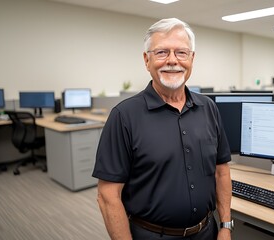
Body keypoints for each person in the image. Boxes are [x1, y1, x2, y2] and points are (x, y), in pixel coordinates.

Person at [92, 18, 233, 240]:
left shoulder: (209, 109)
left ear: (192, 59)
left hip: (207, 231)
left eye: (181, 53)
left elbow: (221, 171)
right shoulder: (124, 116)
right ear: (146, 60)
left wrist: (225, 225)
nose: (172, 61)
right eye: (161, 53)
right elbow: (108, 195)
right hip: (152, 234)